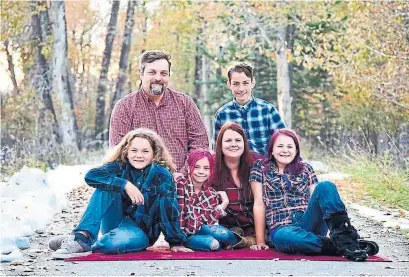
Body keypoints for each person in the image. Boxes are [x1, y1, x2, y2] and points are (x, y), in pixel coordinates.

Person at [49, 128, 192, 259]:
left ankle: (82, 243)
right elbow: (91, 176)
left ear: (154, 154)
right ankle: (82, 237)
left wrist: (175, 242)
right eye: (134, 150)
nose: (139, 155)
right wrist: (125, 184)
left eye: (145, 151)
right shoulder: (119, 167)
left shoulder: (162, 175)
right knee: (105, 186)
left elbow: (168, 210)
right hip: (114, 221)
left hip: (139, 231)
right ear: (126, 152)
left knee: (111, 245)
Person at [249, 128, 379, 261]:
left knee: (325, 186)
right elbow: (259, 204)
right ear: (271, 149)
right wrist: (260, 241)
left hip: (307, 221)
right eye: (280, 146)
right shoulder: (260, 167)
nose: (285, 150)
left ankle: (345, 238)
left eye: (289, 146)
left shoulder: (306, 169)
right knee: (285, 237)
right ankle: (344, 246)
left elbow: (317, 201)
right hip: (282, 228)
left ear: (296, 150)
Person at [109, 50, 209, 172]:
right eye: (152, 72)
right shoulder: (125, 107)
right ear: (141, 74)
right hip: (140, 184)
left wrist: (184, 174)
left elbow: (200, 143)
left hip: (182, 182)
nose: (158, 78)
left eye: (163, 73)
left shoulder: (185, 103)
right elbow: (118, 152)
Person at [213, 62, 286, 155]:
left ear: (253, 82)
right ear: (229, 84)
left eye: (245, 83)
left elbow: (284, 142)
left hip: (265, 167)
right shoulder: (222, 114)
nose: (241, 89)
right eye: (236, 84)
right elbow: (217, 150)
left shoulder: (268, 110)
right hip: (235, 167)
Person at [211, 122, 263, 248]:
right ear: (220, 144)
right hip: (228, 227)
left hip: (257, 226)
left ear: (244, 143)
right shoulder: (211, 165)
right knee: (220, 236)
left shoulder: (256, 162)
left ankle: (249, 239)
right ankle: (239, 240)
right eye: (228, 140)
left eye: (238, 140)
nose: (233, 144)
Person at [176, 149, 238, 251]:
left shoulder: (211, 194)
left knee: (225, 235)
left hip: (200, 229)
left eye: (206, 168)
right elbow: (180, 216)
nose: (201, 172)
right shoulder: (180, 184)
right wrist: (177, 242)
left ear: (211, 171)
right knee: (214, 244)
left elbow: (209, 221)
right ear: (188, 168)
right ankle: (217, 244)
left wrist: (224, 204)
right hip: (184, 234)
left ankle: (235, 241)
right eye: (196, 167)